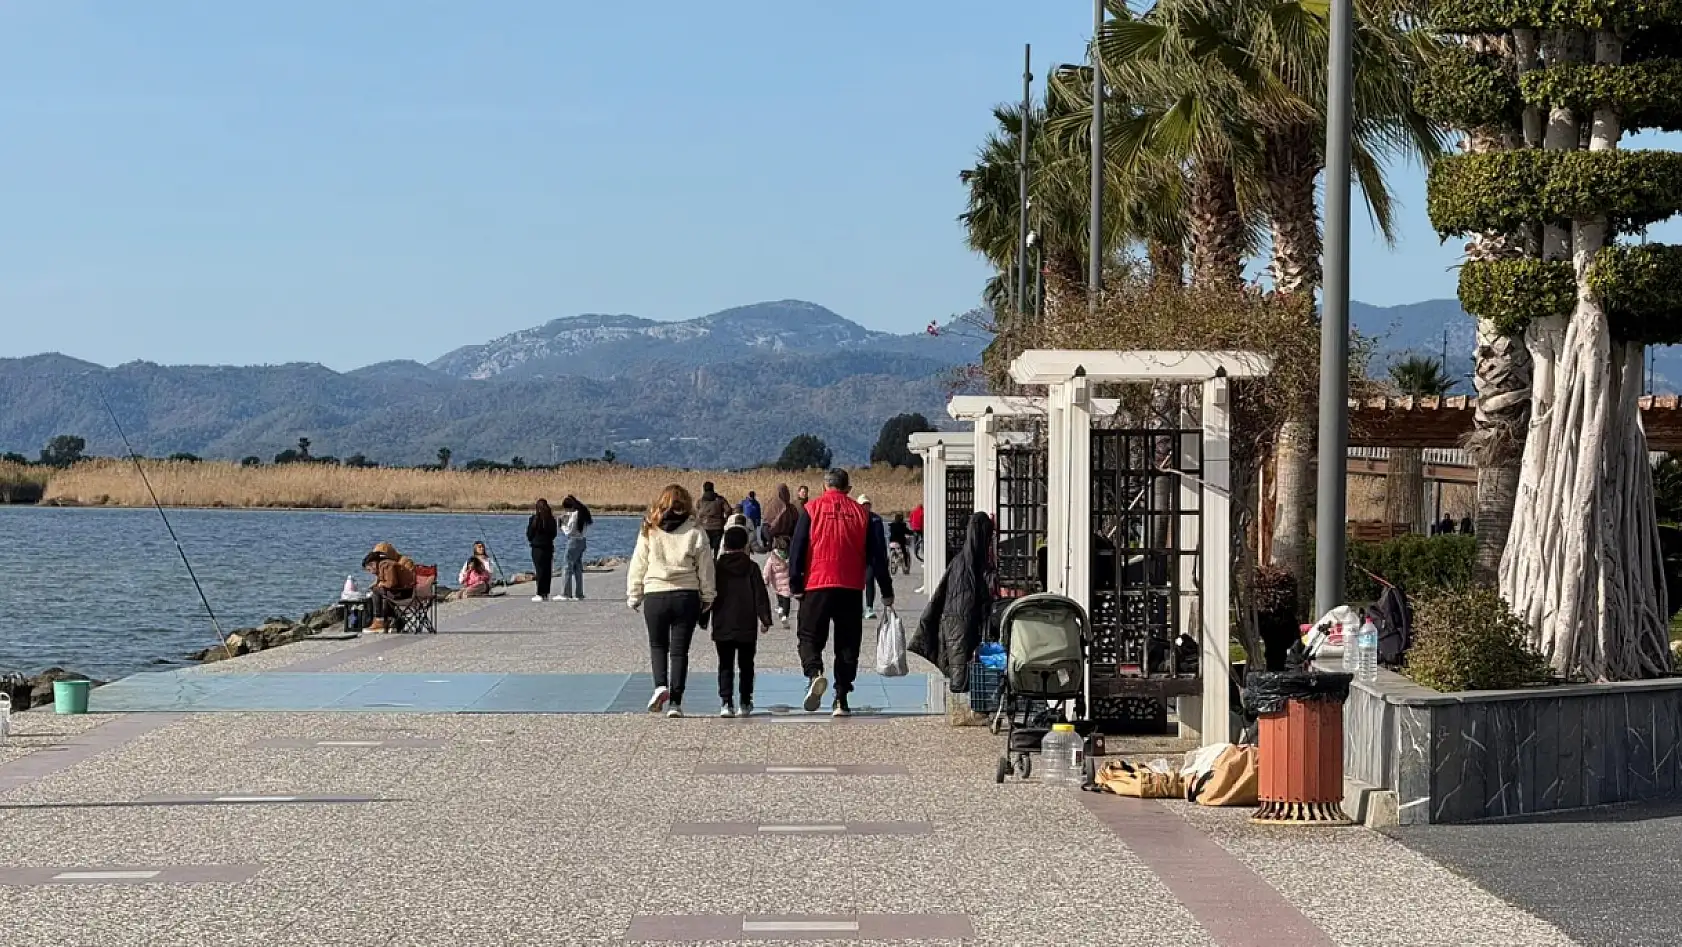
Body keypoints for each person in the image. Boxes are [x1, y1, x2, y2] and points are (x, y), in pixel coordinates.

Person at [788, 468, 893, 717]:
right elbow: (877, 556)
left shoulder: (811, 510)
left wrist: (795, 585)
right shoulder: (862, 514)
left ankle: (814, 673)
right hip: (850, 586)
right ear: (848, 489)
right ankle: (841, 697)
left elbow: (797, 549)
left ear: (825, 487)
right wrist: (886, 590)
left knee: (809, 636)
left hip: (817, 583)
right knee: (847, 643)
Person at [627, 484, 717, 718]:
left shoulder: (650, 528)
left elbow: (638, 564)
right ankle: (676, 703)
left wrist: (634, 594)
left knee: (658, 646)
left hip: (655, 594)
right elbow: (706, 568)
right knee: (679, 652)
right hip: (685, 595)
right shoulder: (696, 530)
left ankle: (660, 687)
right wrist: (708, 596)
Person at [910, 512, 994, 693]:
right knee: (959, 670)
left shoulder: (966, 561)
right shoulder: (967, 564)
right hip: (959, 621)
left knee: (960, 665)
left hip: (958, 620)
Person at [710, 520, 773, 717]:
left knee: (725, 664)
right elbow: (760, 595)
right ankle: (745, 701)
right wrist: (765, 619)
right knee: (747, 665)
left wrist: (702, 617)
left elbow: (708, 593)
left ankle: (726, 702)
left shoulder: (717, 567)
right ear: (745, 545)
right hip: (746, 624)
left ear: (725, 545)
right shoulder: (751, 567)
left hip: (723, 623)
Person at [363, 542, 416, 632]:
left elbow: (391, 583)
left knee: (377, 592)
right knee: (383, 595)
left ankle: (379, 620)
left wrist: (381, 585)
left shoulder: (386, 564)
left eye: (369, 569)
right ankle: (390, 621)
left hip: (405, 592)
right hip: (407, 591)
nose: (370, 572)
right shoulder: (387, 564)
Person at [559, 495, 593, 600]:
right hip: (582, 541)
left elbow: (569, 531)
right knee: (577, 567)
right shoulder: (583, 513)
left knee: (567, 566)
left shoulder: (575, 515)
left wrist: (562, 525)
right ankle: (579, 593)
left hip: (573, 541)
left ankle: (566, 593)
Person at [857, 495, 886, 620]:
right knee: (856, 583)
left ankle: (869, 606)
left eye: (867, 504)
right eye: (863, 505)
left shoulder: (876, 519)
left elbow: (881, 539)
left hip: (871, 555)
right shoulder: (855, 518)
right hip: (857, 555)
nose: (865, 507)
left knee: (869, 580)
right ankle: (857, 607)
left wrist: (883, 555)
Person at [527, 499, 559, 602]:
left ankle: (539, 592)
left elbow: (529, 534)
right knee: (547, 570)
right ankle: (545, 592)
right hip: (548, 547)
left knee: (539, 570)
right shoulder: (551, 519)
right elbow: (554, 534)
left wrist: (534, 539)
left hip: (537, 548)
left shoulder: (533, 519)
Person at [763, 535, 793, 628]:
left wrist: (766, 579)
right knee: (786, 599)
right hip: (787, 580)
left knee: (779, 596)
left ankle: (780, 608)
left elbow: (767, 569)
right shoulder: (791, 556)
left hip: (776, 581)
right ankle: (785, 615)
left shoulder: (772, 557)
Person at [696, 481, 731, 554]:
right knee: (717, 547)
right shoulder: (720, 499)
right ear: (713, 488)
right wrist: (725, 520)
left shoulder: (700, 501)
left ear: (704, 489)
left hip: (705, 527)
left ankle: (706, 562)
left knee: (705, 547)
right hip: (718, 527)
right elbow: (728, 510)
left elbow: (697, 511)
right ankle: (715, 561)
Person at [763, 484, 798, 548]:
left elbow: (766, 526)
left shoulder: (771, 506)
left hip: (782, 540)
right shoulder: (773, 507)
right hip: (781, 541)